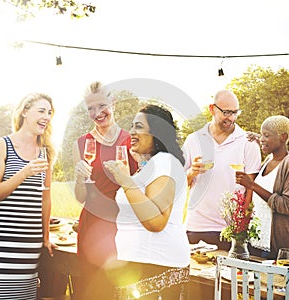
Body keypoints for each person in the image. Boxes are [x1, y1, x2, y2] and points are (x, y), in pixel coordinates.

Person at [104, 104, 190, 300]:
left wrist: (125, 180)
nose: (132, 132)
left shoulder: (165, 163)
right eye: (132, 126)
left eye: (139, 127)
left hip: (156, 265)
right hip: (140, 264)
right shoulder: (152, 164)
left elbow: (156, 222)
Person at [73, 81, 138, 299]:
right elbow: (81, 197)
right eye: (90, 108)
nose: (97, 113)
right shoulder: (81, 144)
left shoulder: (132, 141)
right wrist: (79, 179)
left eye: (102, 105)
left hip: (123, 227)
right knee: (93, 291)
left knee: (123, 290)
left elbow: (140, 188)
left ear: (113, 102)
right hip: (91, 227)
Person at [0, 93, 56, 299]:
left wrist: (45, 237)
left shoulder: (46, 152)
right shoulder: (1, 145)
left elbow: (46, 198)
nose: (47, 116)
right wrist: (24, 173)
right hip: (3, 240)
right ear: (25, 112)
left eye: (50, 113)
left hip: (30, 243)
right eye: (41, 111)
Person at [182, 89, 262, 250]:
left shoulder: (248, 142)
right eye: (226, 112)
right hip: (196, 226)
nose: (231, 118)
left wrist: (242, 227)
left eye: (235, 113)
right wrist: (191, 172)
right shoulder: (193, 140)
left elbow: (250, 190)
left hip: (230, 230)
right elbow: (179, 184)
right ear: (212, 109)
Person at [236, 115, 289, 259]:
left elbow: (286, 204)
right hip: (254, 242)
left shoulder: (287, 164)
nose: (262, 139)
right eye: (261, 134)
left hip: (273, 248)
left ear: (283, 137)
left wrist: (252, 185)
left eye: (266, 135)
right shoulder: (269, 159)